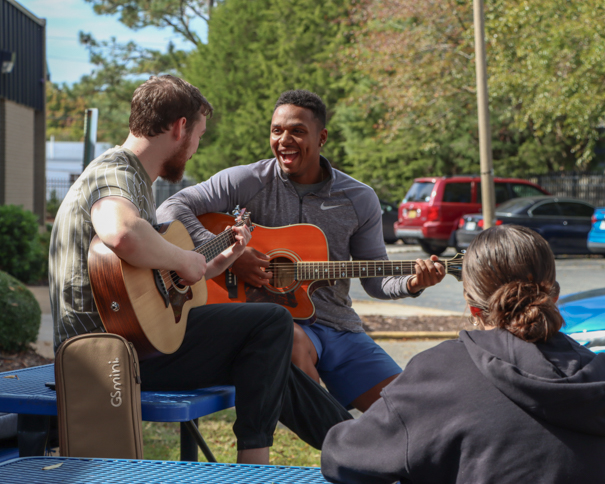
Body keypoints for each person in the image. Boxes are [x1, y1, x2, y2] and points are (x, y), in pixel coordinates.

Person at [48, 76, 351, 465]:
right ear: (180, 128)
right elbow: (120, 231)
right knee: (272, 322)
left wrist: (214, 263)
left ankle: (359, 447)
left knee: (265, 354)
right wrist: (184, 259)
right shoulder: (116, 172)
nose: (195, 149)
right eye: (199, 136)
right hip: (106, 360)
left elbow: (147, 285)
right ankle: (256, 464)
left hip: (127, 342)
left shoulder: (135, 179)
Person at [157, 89, 446, 412]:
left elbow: (376, 280)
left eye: (297, 131)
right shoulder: (247, 180)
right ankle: (338, 439)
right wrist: (227, 258)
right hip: (278, 326)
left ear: (321, 137)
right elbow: (171, 207)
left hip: (339, 328)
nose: (284, 140)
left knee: (408, 413)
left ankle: (356, 444)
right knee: (285, 334)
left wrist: (413, 283)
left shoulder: (359, 198)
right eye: (277, 130)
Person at [320, 224, 605, 484]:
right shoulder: (596, 373)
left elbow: (343, 458)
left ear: (473, 308)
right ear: (554, 297)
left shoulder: (440, 371)